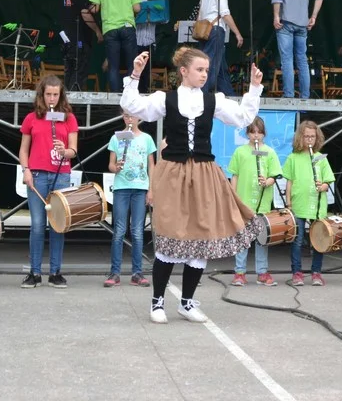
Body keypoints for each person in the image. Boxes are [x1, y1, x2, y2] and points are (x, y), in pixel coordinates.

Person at [121, 48, 264, 325]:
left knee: (201, 237)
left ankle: (186, 302)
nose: (204, 74)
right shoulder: (166, 98)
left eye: (207, 70)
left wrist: (254, 88)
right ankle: (157, 301)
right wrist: (136, 74)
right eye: (199, 69)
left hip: (203, 173)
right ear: (183, 71)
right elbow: (134, 106)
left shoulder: (213, 100)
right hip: (173, 173)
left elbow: (243, 117)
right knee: (169, 234)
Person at [18, 75, 79, 289]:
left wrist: (65, 151)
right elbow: (23, 150)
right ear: (41, 95)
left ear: (61, 95)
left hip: (60, 174)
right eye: (48, 94)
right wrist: (26, 170)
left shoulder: (68, 118)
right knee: (37, 225)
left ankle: (55, 272)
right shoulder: (31, 118)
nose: (52, 98)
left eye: (55, 94)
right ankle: (34, 273)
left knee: (58, 226)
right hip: (36, 175)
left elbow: (73, 150)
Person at [105, 110, 156, 287]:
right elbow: (111, 164)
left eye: (132, 115)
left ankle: (137, 272)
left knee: (137, 231)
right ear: (122, 117)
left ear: (139, 117)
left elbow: (151, 165)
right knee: (119, 230)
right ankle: (115, 272)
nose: (129, 119)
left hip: (140, 188)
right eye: (126, 116)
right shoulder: (116, 137)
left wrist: (151, 189)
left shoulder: (147, 138)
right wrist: (116, 168)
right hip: (121, 187)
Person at [228, 116, 282, 286]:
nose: (256, 135)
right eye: (252, 132)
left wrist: (267, 181)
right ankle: (239, 272)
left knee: (262, 239)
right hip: (243, 203)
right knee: (242, 239)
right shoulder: (240, 152)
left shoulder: (270, 152)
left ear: (264, 134)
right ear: (247, 133)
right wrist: (234, 197)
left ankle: (262, 272)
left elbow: (274, 175)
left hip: (262, 204)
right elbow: (234, 175)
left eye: (259, 132)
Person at [283, 121, 335, 287]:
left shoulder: (321, 158)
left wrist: (323, 186)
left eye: (312, 136)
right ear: (300, 137)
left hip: (317, 205)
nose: (309, 139)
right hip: (298, 204)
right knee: (297, 240)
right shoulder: (293, 158)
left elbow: (328, 181)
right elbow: (289, 182)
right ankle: (297, 273)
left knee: (319, 239)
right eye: (306, 136)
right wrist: (288, 203)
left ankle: (316, 272)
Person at [272, 0, 325, 99]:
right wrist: (313, 16)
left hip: (285, 21)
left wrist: (276, 15)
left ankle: (289, 96)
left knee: (287, 59)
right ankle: (305, 98)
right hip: (302, 24)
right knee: (302, 60)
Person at [89, 0, 142, 92]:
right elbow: (137, 8)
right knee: (131, 64)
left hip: (110, 29)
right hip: (128, 27)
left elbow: (94, 9)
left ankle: (115, 97)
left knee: (113, 66)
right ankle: (130, 93)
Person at [198, 0, 244, 95]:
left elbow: (200, 15)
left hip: (204, 31)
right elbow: (225, 14)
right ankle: (203, 94)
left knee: (221, 67)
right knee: (211, 65)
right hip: (216, 30)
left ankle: (228, 94)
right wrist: (237, 33)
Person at [62, 0, 102, 93]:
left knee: (69, 71)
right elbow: (88, 13)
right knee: (79, 72)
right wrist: (98, 31)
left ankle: (66, 99)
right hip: (80, 41)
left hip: (67, 40)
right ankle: (73, 101)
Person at [134, 0, 158, 93]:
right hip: (136, 41)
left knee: (146, 71)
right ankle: (135, 92)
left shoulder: (154, 6)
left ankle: (144, 92)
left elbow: (164, 20)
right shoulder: (134, 6)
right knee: (135, 69)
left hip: (149, 41)